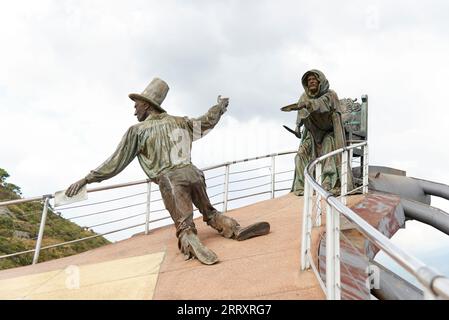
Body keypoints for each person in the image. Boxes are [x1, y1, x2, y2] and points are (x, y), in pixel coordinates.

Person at [65, 78, 270, 265]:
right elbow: (206, 122)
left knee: (184, 225)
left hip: (171, 180)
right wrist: (219, 107)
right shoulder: (181, 121)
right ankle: (234, 228)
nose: (134, 111)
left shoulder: (137, 131)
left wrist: (86, 179)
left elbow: (115, 162)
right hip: (193, 173)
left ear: (146, 104)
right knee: (209, 212)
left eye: (136, 106)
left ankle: (192, 243)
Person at [281, 69, 352, 196]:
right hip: (312, 134)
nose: (311, 82)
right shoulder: (304, 96)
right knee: (299, 156)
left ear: (320, 81)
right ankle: (302, 185)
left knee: (328, 146)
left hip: (328, 133)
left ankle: (328, 181)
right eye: (309, 80)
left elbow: (321, 104)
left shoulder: (330, 95)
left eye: (314, 79)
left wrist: (307, 104)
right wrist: (297, 127)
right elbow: (301, 114)